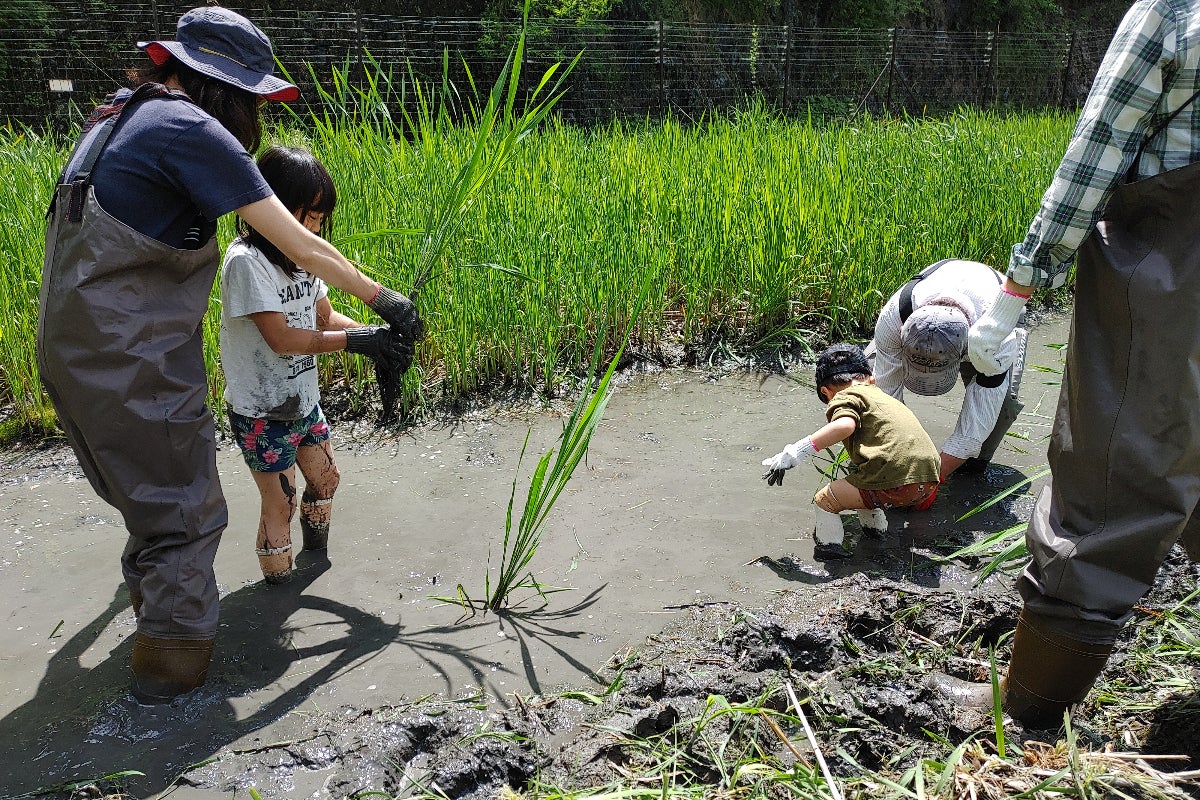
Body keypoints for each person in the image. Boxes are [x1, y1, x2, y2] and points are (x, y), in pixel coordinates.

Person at [36, 7, 421, 705]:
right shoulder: (190, 126)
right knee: (187, 516)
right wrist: (389, 303)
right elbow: (301, 246)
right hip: (132, 357)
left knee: (155, 515)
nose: (252, 120)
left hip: (71, 351)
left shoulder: (113, 118)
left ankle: (159, 643)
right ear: (226, 89)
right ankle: (168, 708)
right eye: (252, 102)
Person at [951, 0, 1200, 728]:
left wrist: (1021, 282)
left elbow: (1098, 148)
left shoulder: (1174, 11)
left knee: (1113, 473)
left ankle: (1027, 708)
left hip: (1172, 265)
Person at [220, 146, 410, 584]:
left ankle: (315, 566)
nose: (314, 229)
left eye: (320, 220)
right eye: (309, 217)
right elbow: (282, 339)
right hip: (262, 413)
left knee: (326, 480)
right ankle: (279, 595)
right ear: (276, 211)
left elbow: (322, 317)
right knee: (280, 505)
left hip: (304, 403)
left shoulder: (302, 260)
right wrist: (355, 341)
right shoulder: (246, 263)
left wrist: (374, 334)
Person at [868, 258, 1028, 502]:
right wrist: (896, 463)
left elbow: (975, 426)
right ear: (903, 336)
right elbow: (886, 402)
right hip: (939, 296)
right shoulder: (894, 319)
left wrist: (931, 480)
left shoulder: (997, 340)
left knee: (1002, 409)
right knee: (864, 389)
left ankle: (971, 468)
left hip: (994, 320)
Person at [760, 344, 941, 559]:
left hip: (895, 479)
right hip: (929, 479)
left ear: (825, 392)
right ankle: (877, 537)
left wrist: (797, 451)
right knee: (861, 485)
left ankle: (830, 555)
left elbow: (844, 426)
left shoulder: (845, 396)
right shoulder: (883, 397)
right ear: (871, 378)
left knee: (824, 501)